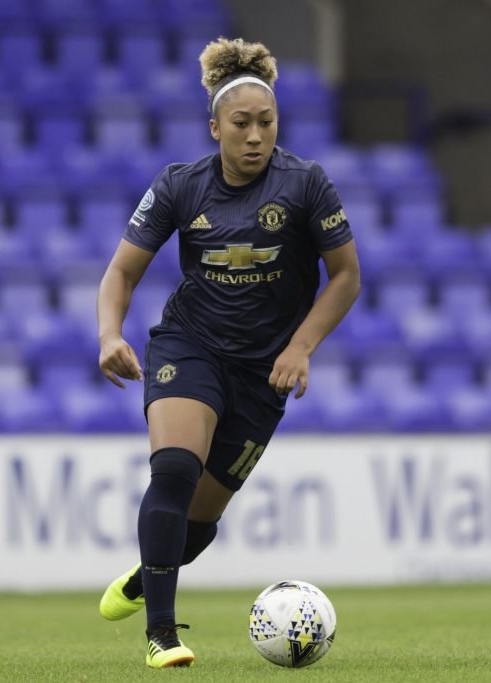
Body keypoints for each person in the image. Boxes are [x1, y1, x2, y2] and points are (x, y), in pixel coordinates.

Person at [95, 36, 360, 669]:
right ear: (214, 127)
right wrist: (110, 334)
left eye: (265, 123)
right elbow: (121, 274)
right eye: (240, 124)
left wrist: (301, 347)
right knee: (175, 471)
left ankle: (146, 573)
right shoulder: (180, 187)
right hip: (190, 346)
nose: (254, 136)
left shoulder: (305, 185)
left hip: (263, 370)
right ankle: (162, 633)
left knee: (198, 521)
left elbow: (346, 276)